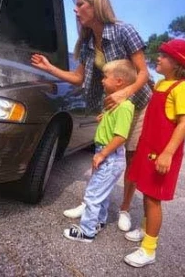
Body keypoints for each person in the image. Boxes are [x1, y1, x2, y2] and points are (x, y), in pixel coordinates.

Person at [31, 0, 152, 231]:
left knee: (129, 157)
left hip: (137, 103)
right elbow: (79, 78)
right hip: (111, 106)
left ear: (96, 4)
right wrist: (49, 68)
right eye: (75, 5)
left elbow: (143, 73)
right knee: (102, 156)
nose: (75, 10)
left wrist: (123, 93)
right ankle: (91, 204)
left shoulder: (123, 31)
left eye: (80, 4)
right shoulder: (87, 42)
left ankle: (125, 209)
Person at [123, 39, 185, 267]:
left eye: (164, 56)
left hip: (163, 152)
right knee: (145, 191)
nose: (158, 57)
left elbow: (184, 123)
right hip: (149, 148)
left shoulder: (183, 87)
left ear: (177, 63)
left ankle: (149, 249)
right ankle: (146, 230)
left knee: (153, 198)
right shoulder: (161, 84)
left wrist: (167, 153)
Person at [62, 60, 136, 242]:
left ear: (119, 81)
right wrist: (105, 117)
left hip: (109, 156)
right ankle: (99, 221)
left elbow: (120, 136)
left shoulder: (125, 106)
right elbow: (114, 126)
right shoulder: (115, 104)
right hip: (106, 154)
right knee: (101, 193)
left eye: (105, 77)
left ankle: (86, 231)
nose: (102, 80)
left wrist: (102, 154)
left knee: (93, 194)